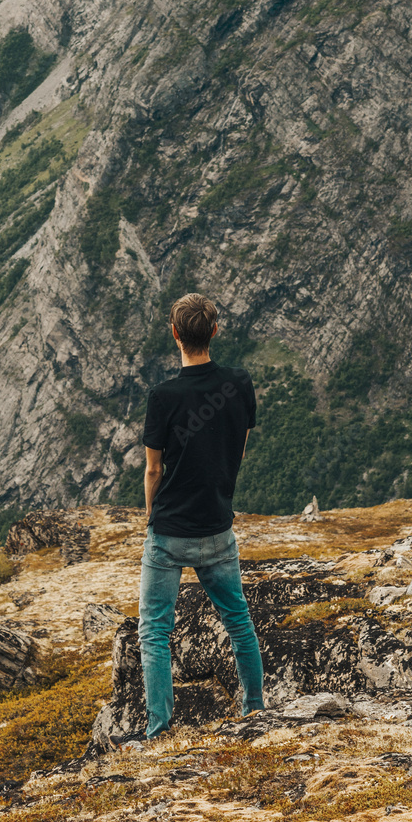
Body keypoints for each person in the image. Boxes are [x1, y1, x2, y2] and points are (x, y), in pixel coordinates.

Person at [138, 292, 264, 740]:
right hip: (217, 526)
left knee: (155, 633)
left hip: (169, 531)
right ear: (215, 330)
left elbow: (154, 469)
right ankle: (255, 711)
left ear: (175, 334)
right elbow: (237, 450)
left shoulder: (163, 396)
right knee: (238, 622)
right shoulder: (239, 383)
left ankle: (159, 729)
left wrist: (152, 519)